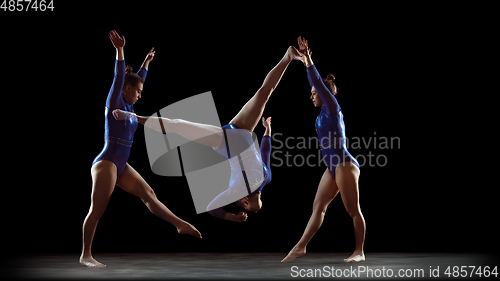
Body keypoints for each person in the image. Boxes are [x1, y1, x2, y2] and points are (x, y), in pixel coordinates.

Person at [113, 45, 304, 222]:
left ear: (243, 202)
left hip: (225, 141)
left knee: (179, 126)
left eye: (250, 210)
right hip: (244, 131)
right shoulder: (266, 178)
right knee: (264, 94)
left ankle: (134, 116)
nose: (252, 209)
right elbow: (266, 152)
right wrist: (268, 131)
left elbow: (211, 207)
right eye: (253, 210)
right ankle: (288, 56)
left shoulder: (236, 189)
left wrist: (232, 217)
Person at [81, 30, 201, 268]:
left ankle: (179, 224)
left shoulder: (130, 110)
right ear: (125, 89)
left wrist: (146, 63)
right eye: (137, 92)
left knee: (149, 195)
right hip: (106, 162)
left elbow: (139, 79)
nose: (139, 95)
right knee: (98, 208)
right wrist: (119, 50)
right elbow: (118, 76)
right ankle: (86, 255)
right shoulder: (114, 101)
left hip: (121, 164)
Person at [281, 37, 366, 263]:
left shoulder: (332, 108)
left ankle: (359, 251)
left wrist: (308, 60)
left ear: (324, 94)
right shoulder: (320, 116)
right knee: (317, 207)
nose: (311, 95)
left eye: (314, 93)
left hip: (345, 164)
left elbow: (318, 82)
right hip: (331, 167)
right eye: (311, 93)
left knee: (352, 209)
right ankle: (301, 247)